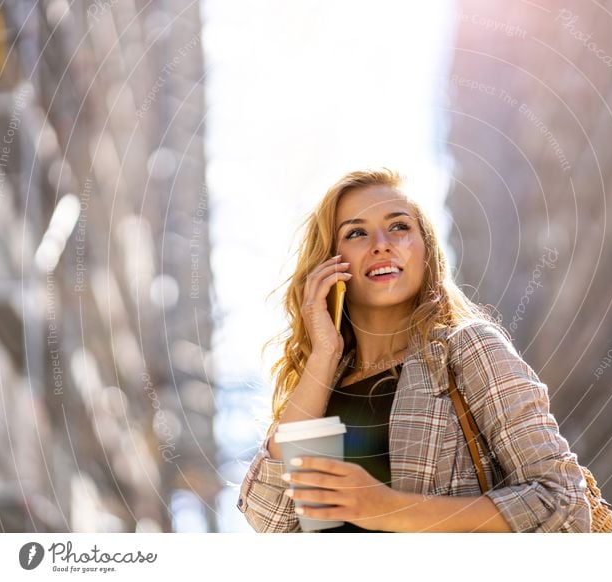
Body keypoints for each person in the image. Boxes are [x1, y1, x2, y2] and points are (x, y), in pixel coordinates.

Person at [236, 168, 591, 532]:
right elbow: (272, 522)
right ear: (329, 262)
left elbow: (561, 504)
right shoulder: (323, 383)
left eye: (400, 226)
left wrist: (387, 509)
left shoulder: (466, 348)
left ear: (426, 251)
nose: (381, 243)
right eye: (356, 232)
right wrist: (323, 355)